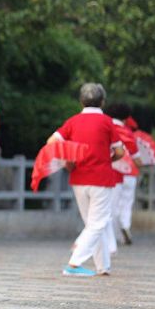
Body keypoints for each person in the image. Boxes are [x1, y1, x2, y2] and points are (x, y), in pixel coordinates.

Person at [47, 83, 124, 277]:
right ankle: (74, 264)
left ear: (81, 100)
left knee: (92, 223)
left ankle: (103, 266)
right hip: (101, 177)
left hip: (79, 177)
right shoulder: (107, 122)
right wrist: (109, 158)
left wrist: (67, 160)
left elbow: (52, 142)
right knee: (97, 224)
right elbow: (120, 151)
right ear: (102, 101)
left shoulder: (73, 121)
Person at [105, 104, 142, 248]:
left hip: (109, 171)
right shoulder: (127, 131)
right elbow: (136, 157)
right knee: (126, 203)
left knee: (110, 205)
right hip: (129, 173)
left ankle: (112, 236)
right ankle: (125, 225)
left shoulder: (106, 127)